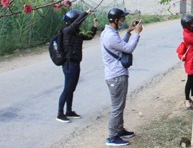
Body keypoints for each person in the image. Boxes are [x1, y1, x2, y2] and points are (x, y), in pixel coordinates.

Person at [101, 8, 143, 147]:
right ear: (115, 20)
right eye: (122, 19)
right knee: (117, 107)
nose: (123, 21)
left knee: (120, 105)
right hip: (116, 75)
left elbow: (120, 46)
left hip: (116, 74)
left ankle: (120, 130)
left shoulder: (110, 33)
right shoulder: (110, 36)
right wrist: (136, 34)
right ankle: (112, 137)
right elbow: (128, 48)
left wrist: (129, 32)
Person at [57, 9, 98, 123]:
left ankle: (69, 111)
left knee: (72, 88)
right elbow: (76, 23)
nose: (80, 23)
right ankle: (60, 113)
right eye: (78, 20)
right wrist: (85, 14)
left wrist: (94, 27)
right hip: (69, 64)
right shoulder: (67, 31)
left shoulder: (76, 33)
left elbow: (89, 36)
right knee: (67, 88)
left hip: (75, 63)